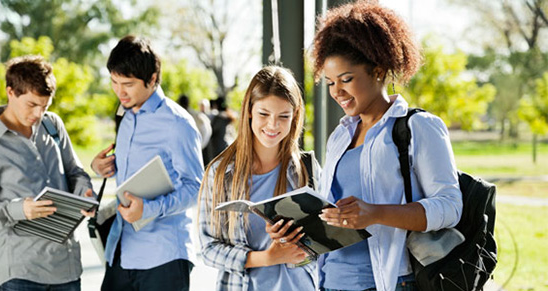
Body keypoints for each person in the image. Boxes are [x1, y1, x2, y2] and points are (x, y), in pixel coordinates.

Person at [312, 2, 463, 291]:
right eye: (330, 82)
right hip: (330, 281)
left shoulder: (417, 127)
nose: (336, 92)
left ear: (378, 71)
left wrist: (376, 213)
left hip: (388, 282)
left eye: (346, 79)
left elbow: (449, 206)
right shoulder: (340, 136)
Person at [0, 55, 95, 290]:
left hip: (66, 269)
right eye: (32, 105)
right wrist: (18, 209)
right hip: (21, 273)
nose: (38, 114)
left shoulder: (52, 125)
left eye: (45, 106)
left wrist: (84, 192)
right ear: (11, 92)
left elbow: (75, 172)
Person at [90, 35, 204, 291]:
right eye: (114, 82)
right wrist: (102, 167)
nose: (120, 91)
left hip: (164, 256)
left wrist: (149, 209)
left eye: (128, 84)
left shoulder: (178, 124)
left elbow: (196, 188)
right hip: (122, 250)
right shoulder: (126, 116)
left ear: (152, 79)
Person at [198, 66, 321, 291]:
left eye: (283, 116)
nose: (273, 125)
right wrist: (267, 257)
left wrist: (293, 243)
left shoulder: (306, 170)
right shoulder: (220, 173)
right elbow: (208, 249)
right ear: (249, 111)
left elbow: (321, 248)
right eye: (264, 114)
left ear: (294, 117)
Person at [204, 96, 236, 164]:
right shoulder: (228, 117)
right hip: (228, 147)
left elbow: (210, 131)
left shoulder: (219, 118)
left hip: (218, 149)